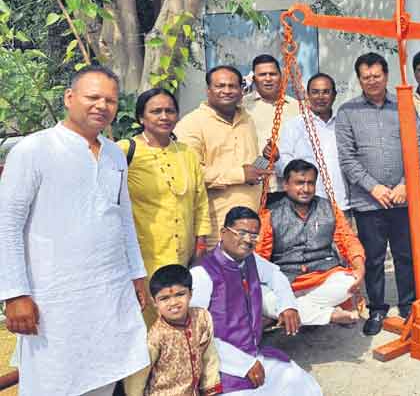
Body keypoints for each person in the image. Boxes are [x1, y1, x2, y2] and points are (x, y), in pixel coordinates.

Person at [0, 66, 150, 395]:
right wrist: (14, 294)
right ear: (70, 98)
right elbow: (6, 224)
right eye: (92, 97)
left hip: (108, 293)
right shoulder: (32, 150)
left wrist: (137, 273)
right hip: (53, 300)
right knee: (54, 382)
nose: (102, 106)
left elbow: (123, 217)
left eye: (110, 100)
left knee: (106, 375)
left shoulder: (114, 155)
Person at [190, 207, 322, 395]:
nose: (247, 240)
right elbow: (197, 334)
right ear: (224, 232)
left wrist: (288, 305)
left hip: (253, 353)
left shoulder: (249, 259)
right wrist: (243, 364)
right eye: (241, 233)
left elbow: (276, 275)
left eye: (253, 236)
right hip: (221, 365)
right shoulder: (202, 274)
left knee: (301, 384)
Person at [336, 52, 417, 335]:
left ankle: (408, 305)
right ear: (359, 79)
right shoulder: (347, 112)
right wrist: (373, 186)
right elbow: (347, 158)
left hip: (403, 197)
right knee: (373, 257)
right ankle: (378, 309)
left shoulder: (404, 108)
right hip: (367, 200)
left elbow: (417, 148)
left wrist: (406, 184)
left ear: (386, 76)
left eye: (376, 76)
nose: (372, 81)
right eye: (365, 77)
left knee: (406, 254)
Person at [258, 159, 365, 326]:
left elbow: (348, 239)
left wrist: (359, 267)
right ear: (286, 185)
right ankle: (329, 315)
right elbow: (260, 255)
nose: (306, 189)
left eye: (310, 183)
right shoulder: (272, 214)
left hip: (322, 277)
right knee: (260, 296)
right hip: (285, 280)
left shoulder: (328, 208)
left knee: (349, 282)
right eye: (300, 183)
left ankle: (290, 312)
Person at [119, 88, 211, 280]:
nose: (164, 117)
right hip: (143, 258)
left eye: (170, 111)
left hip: (183, 256)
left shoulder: (186, 153)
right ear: (141, 118)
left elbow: (200, 202)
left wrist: (200, 244)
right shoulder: (125, 151)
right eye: (156, 111)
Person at [177, 65, 270, 246]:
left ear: (241, 90)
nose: (227, 91)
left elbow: (249, 165)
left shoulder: (247, 119)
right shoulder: (191, 124)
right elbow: (190, 174)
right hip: (216, 228)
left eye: (232, 86)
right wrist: (240, 175)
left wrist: (266, 159)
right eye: (220, 86)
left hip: (252, 225)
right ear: (208, 90)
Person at [124, 264, 222, 396]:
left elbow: (209, 357)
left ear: (190, 294)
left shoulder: (201, 318)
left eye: (180, 294)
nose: (173, 303)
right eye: (164, 298)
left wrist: (210, 390)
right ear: (154, 302)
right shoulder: (155, 337)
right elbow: (137, 378)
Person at [277, 73, 349, 214]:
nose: (320, 97)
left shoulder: (344, 124)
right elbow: (282, 165)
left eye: (326, 92)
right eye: (315, 92)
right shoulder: (294, 126)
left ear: (334, 95)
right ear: (307, 95)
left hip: (341, 204)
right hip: (306, 206)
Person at [243, 55, 299, 204]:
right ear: (254, 79)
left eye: (272, 74)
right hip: (253, 187)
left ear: (280, 77)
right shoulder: (241, 106)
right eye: (262, 75)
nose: (268, 79)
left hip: (288, 187)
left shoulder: (297, 107)